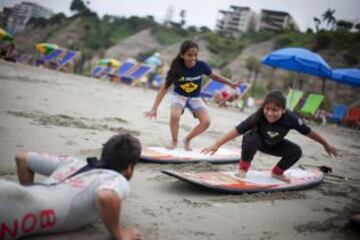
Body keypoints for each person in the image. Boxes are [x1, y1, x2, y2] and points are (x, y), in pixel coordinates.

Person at [0, 132, 142, 240]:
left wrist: (28, 192)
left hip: (9, 192)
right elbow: (106, 196)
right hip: (10, 215)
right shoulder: (117, 178)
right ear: (130, 167)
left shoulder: (72, 162)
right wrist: (119, 233)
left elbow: (22, 158)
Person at [202, 90, 337, 183]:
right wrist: (217, 144)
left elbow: (308, 132)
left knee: (296, 151)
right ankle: (243, 169)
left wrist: (325, 144)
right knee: (250, 136)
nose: (270, 113)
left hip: (275, 145)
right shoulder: (258, 115)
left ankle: (277, 172)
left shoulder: (291, 119)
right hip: (258, 142)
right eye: (267, 109)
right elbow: (238, 130)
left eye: (275, 110)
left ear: (283, 110)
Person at [144, 40, 242, 151]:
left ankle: (187, 139)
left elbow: (214, 76)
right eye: (189, 55)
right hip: (179, 95)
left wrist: (231, 83)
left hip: (195, 97)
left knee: (206, 122)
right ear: (182, 55)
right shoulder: (176, 68)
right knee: (175, 115)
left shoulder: (201, 65)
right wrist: (154, 108)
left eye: (195, 55)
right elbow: (164, 88)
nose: (193, 58)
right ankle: (174, 141)